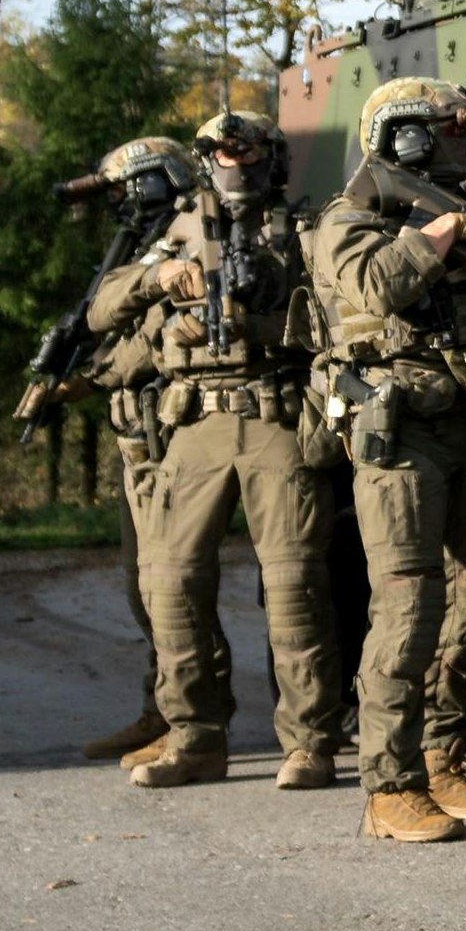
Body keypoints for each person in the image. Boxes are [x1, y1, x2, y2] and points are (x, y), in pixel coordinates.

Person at [312, 78, 466, 843]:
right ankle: (388, 785)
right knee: (408, 608)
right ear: (406, 138)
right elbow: (375, 284)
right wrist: (449, 230)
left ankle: (443, 751)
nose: (465, 143)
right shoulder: (351, 220)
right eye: (448, 130)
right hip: (404, 431)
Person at [90, 111, 347, 791]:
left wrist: (266, 312)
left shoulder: (303, 229)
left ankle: (310, 741)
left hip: (277, 415)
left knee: (295, 587)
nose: (234, 160)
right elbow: (101, 309)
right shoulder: (177, 230)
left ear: (271, 156)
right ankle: (195, 736)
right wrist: (165, 277)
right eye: (220, 150)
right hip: (195, 423)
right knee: (169, 583)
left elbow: (341, 314)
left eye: (246, 148)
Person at [76, 136, 195, 766]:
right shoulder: (144, 248)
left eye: (128, 188)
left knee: (170, 586)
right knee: (141, 585)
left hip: (176, 432)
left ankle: (186, 718)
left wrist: (96, 375)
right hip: (138, 436)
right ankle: (161, 708)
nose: (121, 203)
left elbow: (154, 339)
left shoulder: (191, 235)